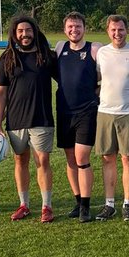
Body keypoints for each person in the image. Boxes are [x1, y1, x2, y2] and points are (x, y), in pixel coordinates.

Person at [0, 15, 56, 223]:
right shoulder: (7, 58)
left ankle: (47, 206)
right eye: (20, 31)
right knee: (21, 161)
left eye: (28, 31)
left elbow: (68, 79)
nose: (24, 34)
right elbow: (0, 93)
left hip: (42, 118)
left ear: (34, 32)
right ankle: (24, 204)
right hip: (16, 120)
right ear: (14, 34)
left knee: (42, 160)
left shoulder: (47, 56)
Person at [94, 15, 129, 220]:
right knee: (107, 159)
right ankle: (109, 204)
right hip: (105, 112)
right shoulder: (102, 53)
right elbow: (98, 79)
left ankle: (128, 203)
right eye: (113, 30)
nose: (117, 33)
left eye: (121, 29)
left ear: (127, 30)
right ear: (108, 31)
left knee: (128, 159)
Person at [54, 12, 101, 223]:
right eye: (70, 27)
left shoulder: (94, 49)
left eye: (78, 26)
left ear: (85, 28)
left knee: (82, 159)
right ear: (65, 29)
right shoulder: (59, 48)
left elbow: (106, 76)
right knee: (70, 159)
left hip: (86, 112)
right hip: (64, 111)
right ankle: (77, 200)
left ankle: (86, 206)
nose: (74, 30)